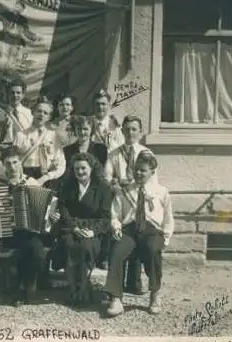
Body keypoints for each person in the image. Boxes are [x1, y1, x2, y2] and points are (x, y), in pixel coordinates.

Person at [0, 146, 54, 307]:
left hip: (26, 234)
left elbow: (45, 209)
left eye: (15, 162)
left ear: (21, 163)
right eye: (8, 163)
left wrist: (51, 216)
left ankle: (25, 287)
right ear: (3, 165)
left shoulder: (31, 183)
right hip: (1, 232)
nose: (12, 167)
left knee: (38, 251)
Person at [105, 151, 174, 316]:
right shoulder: (125, 190)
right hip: (129, 230)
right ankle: (116, 298)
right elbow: (115, 213)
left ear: (152, 171)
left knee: (152, 249)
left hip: (152, 231)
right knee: (117, 250)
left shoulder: (161, 192)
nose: (138, 173)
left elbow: (168, 217)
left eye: (143, 170)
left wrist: (165, 237)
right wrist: (116, 227)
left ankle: (155, 294)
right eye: (136, 169)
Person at [105, 115, 157, 294]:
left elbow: (153, 180)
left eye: (134, 129)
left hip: (139, 198)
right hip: (120, 197)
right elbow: (107, 177)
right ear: (122, 131)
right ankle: (119, 284)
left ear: (140, 132)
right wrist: (116, 186)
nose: (130, 133)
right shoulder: (114, 153)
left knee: (139, 232)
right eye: (126, 129)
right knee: (124, 235)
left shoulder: (147, 153)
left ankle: (134, 282)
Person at [53, 153, 112, 307]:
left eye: (83, 168)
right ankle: (74, 289)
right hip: (71, 227)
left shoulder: (103, 188)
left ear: (91, 169)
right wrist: (73, 228)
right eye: (76, 168)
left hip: (93, 229)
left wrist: (93, 231)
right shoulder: (67, 186)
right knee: (69, 245)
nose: (80, 172)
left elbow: (106, 218)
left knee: (87, 246)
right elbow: (63, 210)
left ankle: (83, 287)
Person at [63, 115, 109, 269]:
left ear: (91, 130)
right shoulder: (67, 150)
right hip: (75, 190)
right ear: (75, 130)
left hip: (95, 189)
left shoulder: (100, 149)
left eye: (85, 129)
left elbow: (102, 173)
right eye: (79, 129)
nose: (82, 132)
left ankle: (101, 256)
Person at [14, 97, 66, 191]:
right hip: (25, 177)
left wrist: (47, 177)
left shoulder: (53, 136)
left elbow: (61, 164)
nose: (41, 114)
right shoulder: (20, 135)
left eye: (45, 113)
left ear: (49, 117)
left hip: (47, 179)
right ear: (32, 112)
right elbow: (13, 162)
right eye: (39, 111)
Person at [0, 78, 33, 144]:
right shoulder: (0, 115)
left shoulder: (29, 113)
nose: (15, 95)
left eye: (18, 93)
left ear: (23, 95)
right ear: (8, 95)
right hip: (5, 147)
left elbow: (30, 134)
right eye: (12, 93)